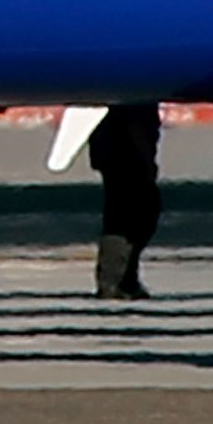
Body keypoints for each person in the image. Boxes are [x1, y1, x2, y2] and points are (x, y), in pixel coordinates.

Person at [89, 102, 163, 299]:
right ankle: (113, 282)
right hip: (124, 150)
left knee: (129, 214)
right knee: (126, 215)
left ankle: (124, 279)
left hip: (122, 148)